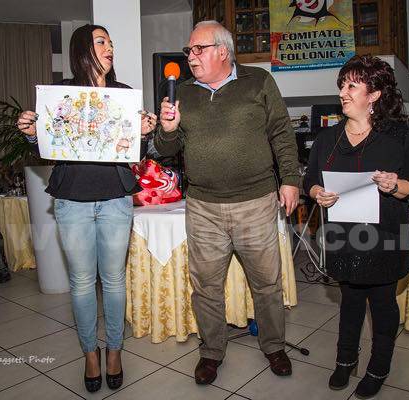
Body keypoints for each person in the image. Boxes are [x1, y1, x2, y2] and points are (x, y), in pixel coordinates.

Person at [155, 20, 300, 385]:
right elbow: (167, 150)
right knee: (206, 287)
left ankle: (274, 345)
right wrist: (166, 130)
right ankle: (211, 352)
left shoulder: (259, 81)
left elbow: (281, 132)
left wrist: (291, 180)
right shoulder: (182, 93)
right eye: (188, 50)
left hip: (256, 201)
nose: (190, 56)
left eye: (197, 49)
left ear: (223, 51)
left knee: (266, 283)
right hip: (203, 206)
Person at [17, 24, 157, 393]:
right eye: (101, 41)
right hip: (72, 200)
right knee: (81, 284)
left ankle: (114, 350)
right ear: (83, 48)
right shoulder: (61, 93)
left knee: (112, 281)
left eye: (111, 42)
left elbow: (139, 153)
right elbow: (45, 149)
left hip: (115, 197)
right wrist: (33, 133)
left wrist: (145, 134)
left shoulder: (124, 95)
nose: (110, 47)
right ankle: (89, 354)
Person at [303, 55, 409, 398]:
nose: (343, 91)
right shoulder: (327, 138)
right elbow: (311, 178)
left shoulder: (397, 135)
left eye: (352, 85)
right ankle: (345, 360)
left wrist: (395, 184)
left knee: (383, 301)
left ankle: (378, 367)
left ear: (374, 94)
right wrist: (316, 193)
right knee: (350, 299)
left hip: (387, 231)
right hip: (343, 231)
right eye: (342, 85)